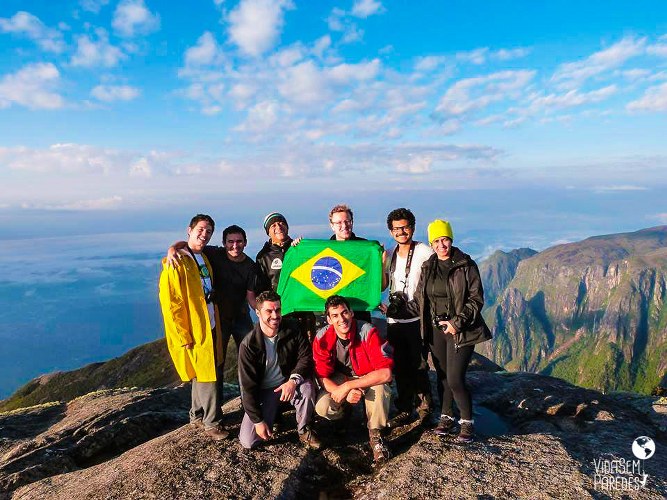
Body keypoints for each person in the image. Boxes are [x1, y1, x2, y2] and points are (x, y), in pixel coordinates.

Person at [408, 219, 492, 444]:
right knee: (443, 377)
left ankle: (467, 422)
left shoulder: (466, 264)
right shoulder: (429, 266)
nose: (441, 244)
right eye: (436, 240)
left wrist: (457, 322)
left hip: (460, 331)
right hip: (436, 330)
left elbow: (476, 299)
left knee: (455, 378)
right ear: (432, 243)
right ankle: (446, 417)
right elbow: (420, 298)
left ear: (451, 239)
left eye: (444, 239)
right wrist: (398, 309)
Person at [158, 214, 229, 440]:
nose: (204, 234)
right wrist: (183, 334)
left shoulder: (201, 257)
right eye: (200, 229)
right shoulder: (177, 261)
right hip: (195, 329)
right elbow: (171, 303)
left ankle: (197, 415)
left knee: (203, 372)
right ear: (189, 230)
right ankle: (212, 423)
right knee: (209, 375)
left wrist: (175, 245)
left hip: (210, 322)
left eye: (208, 231)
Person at [313, 295, 393, 464]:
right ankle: (343, 415)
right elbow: (321, 376)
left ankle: (376, 435)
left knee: (382, 388)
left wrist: (349, 386)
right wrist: (340, 391)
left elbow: (385, 374)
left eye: (344, 313)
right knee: (322, 406)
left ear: (351, 313)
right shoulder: (322, 338)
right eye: (335, 316)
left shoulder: (368, 331)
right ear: (328, 319)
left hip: (366, 376)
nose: (341, 319)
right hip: (340, 377)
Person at [237, 290, 321, 450]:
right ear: (257, 312)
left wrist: (293, 380)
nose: (275, 315)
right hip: (265, 392)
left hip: (288, 385)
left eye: (278, 310)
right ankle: (273, 415)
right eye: (269, 311)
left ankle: (304, 430)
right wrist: (258, 421)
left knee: (307, 388)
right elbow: (247, 388)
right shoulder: (249, 346)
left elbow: (306, 358)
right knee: (248, 442)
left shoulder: (293, 329)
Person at [379, 208, 434, 427]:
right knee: (400, 365)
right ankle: (404, 406)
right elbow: (384, 286)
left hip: (416, 320)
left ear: (412, 226)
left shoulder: (423, 251)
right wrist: (380, 264)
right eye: (396, 228)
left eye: (405, 227)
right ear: (390, 231)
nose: (401, 232)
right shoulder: (390, 254)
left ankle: (425, 408)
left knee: (419, 365)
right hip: (394, 321)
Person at [166, 225, 258, 354]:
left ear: (245, 243)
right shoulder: (214, 253)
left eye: (239, 241)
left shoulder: (250, 267)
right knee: (217, 358)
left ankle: (245, 375)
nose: (235, 245)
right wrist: (173, 248)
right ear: (224, 243)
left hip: (241, 316)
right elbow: (189, 245)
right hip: (218, 317)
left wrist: (264, 314)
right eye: (230, 241)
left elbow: (251, 296)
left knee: (250, 353)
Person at [256, 212, 316, 340]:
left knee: (308, 351)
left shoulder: (299, 248)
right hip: (280, 313)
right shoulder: (264, 256)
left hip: (303, 311)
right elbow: (261, 290)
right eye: (273, 225)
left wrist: (303, 247)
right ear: (268, 232)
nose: (278, 226)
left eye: (281, 223)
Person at [328, 204, 372, 323]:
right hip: (336, 314)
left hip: (360, 310)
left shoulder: (366, 247)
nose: (344, 226)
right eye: (339, 223)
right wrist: (297, 246)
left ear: (352, 222)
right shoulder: (324, 251)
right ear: (332, 226)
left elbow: (376, 281)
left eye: (347, 221)